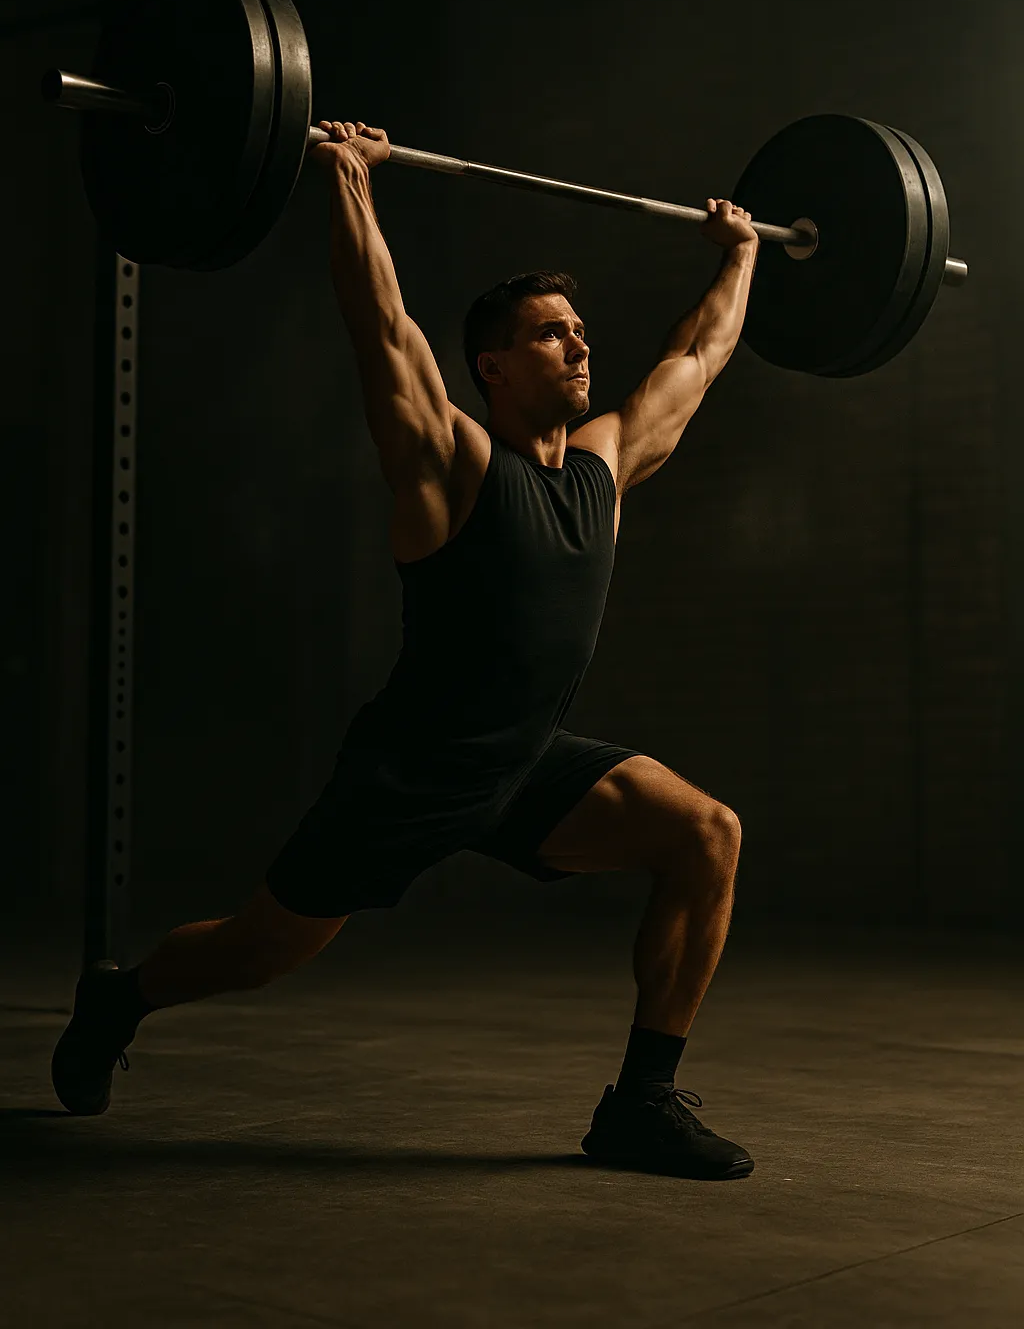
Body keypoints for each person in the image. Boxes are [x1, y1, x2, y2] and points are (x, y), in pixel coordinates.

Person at [52, 120, 760, 1181]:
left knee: (707, 833)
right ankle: (124, 994)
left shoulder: (604, 469)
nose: (578, 345)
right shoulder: (455, 467)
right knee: (256, 951)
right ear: (494, 368)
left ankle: (639, 1105)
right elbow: (380, 330)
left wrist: (740, 253)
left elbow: (698, 358)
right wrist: (347, 182)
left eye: (579, 331)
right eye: (549, 334)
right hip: (411, 774)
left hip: (524, 762)